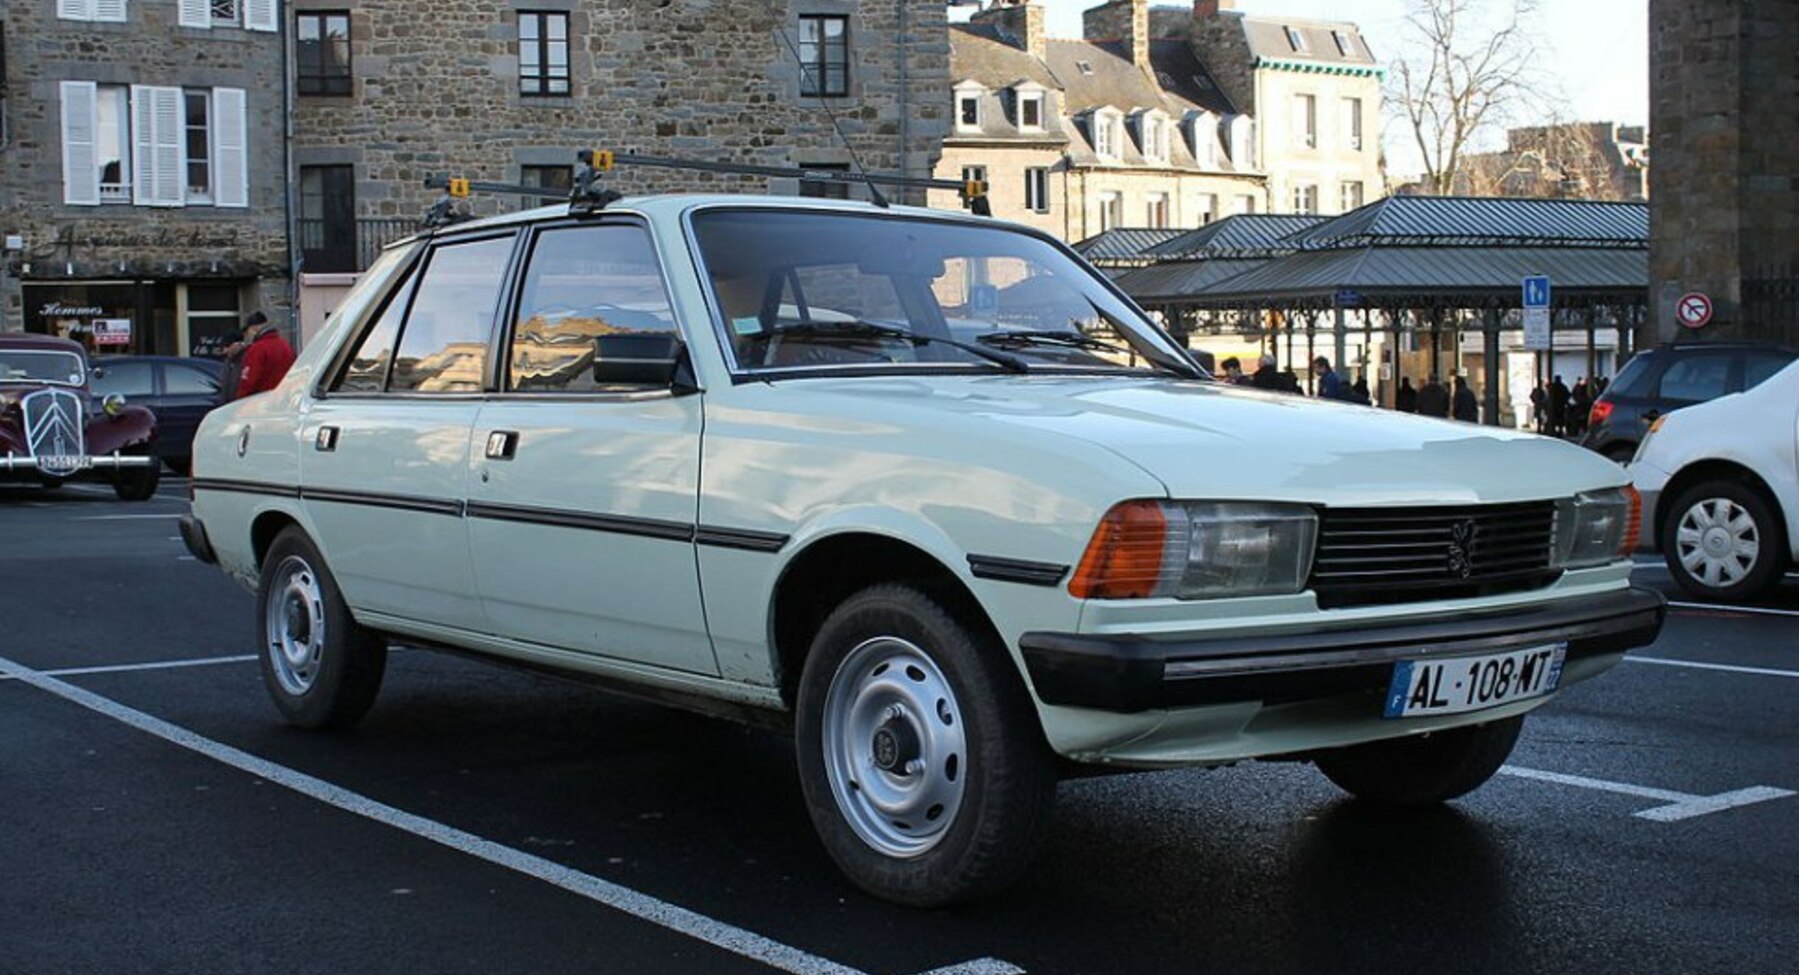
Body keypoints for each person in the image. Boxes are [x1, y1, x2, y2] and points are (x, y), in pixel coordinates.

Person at [234, 310, 296, 399]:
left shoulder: (257, 349)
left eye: (247, 332)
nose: (247, 336)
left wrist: (239, 401)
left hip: (261, 403)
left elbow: (248, 383)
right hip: (283, 400)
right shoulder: (285, 345)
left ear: (253, 329)